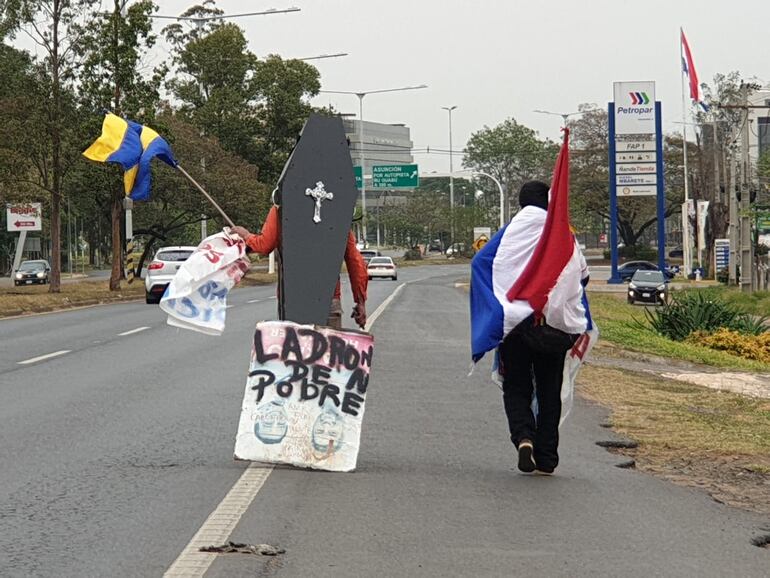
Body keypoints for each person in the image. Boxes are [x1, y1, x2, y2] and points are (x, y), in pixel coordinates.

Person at [471, 180, 590, 475]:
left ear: (521, 202)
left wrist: (498, 302)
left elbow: (481, 262)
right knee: (550, 390)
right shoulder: (561, 233)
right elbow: (582, 275)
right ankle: (547, 456)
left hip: (516, 325)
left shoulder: (510, 231)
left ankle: (524, 437)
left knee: (517, 386)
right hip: (553, 325)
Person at [230, 205, 368, 330]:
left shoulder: (281, 206)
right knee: (328, 349)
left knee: (296, 348)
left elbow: (265, 245)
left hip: (292, 302)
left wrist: (246, 236)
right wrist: (360, 301)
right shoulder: (337, 210)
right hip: (329, 301)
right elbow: (355, 262)